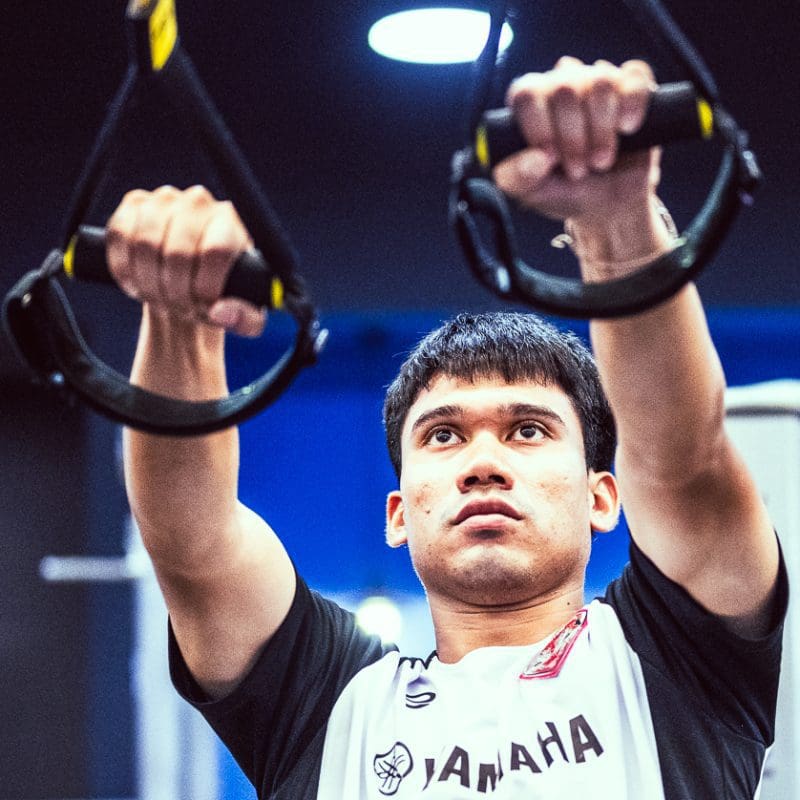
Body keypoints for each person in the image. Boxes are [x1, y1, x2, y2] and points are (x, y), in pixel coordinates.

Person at [105, 58, 786, 798]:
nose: (483, 462)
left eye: (528, 430)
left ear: (602, 498)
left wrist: (617, 223)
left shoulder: (674, 660)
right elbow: (190, 540)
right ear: (398, 513)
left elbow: (682, 461)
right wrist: (179, 321)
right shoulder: (329, 703)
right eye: (442, 435)